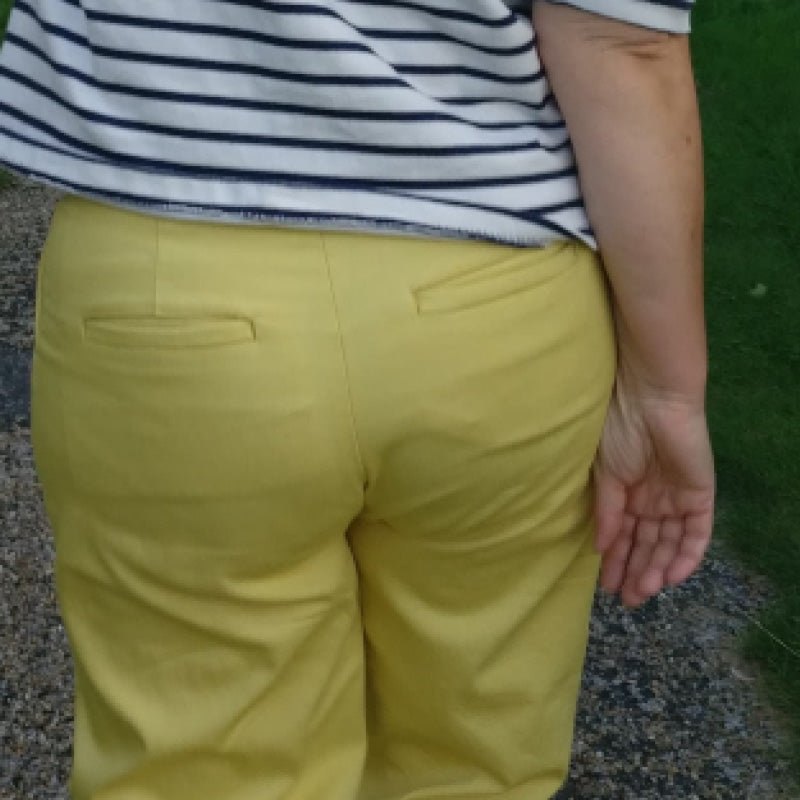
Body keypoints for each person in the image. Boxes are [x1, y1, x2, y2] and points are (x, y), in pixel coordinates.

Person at [0, 1, 715, 798]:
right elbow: (623, 44)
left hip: (167, 302)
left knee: (200, 760)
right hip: (490, 310)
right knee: (471, 760)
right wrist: (666, 392)